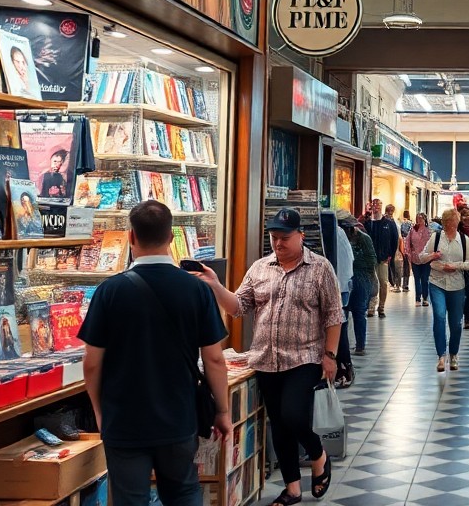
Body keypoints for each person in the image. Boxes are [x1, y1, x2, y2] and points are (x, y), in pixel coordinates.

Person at [79, 201, 231, 506]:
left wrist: (99, 411)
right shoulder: (197, 290)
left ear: (131, 237)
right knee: (184, 492)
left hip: (124, 419)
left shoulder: (110, 291)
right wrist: (223, 411)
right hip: (178, 416)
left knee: (129, 498)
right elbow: (214, 358)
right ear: (171, 238)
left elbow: (92, 363)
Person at [196, 208, 343, 503]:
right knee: (278, 423)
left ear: (301, 235)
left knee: (294, 415)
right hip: (265, 359)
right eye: (274, 237)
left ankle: (318, 456)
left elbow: (333, 315)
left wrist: (330, 355)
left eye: (285, 237)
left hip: (304, 357)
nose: (278, 243)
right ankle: (292, 488)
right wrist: (215, 285)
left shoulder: (320, 268)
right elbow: (238, 307)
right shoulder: (260, 268)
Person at [421, 208, 469, 372]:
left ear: (454, 223)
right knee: (439, 316)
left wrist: (455, 266)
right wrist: (432, 256)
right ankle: (441, 356)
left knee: (456, 323)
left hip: (457, 285)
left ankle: (454, 354)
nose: (447, 225)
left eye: (449, 222)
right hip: (437, 282)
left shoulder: (464, 240)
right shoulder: (436, 237)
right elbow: (421, 256)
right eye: (446, 223)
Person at [344, 218, 376, 357]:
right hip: (348, 276)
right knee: (345, 313)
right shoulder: (343, 237)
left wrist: (366, 277)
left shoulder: (364, 239)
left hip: (360, 277)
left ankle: (360, 345)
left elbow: (371, 260)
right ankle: (346, 346)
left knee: (358, 312)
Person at [364, 200, 398, 318]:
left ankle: (382, 306)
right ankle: (371, 306)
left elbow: (394, 240)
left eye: (378, 205)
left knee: (383, 282)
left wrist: (390, 255)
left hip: (383, 259)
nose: (376, 208)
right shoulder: (368, 224)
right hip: (370, 259)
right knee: (372, 283)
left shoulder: (388, 224)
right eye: (374, 205)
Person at [332, 216, 355, 389]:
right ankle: (344, 367)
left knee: (339, 328)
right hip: (342, 287)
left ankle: (344, 367)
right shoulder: (341, 235)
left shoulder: (336, 234)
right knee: (341, 327)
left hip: (339, 289)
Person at [405, 212, 434, 307]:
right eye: (418, 219)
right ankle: (417, 298)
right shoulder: (413, 230)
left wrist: (432, 255)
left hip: (426, 258)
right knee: (417, 279)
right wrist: (408, 253)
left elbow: (432, 244)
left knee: (425, 279)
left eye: (421, 219)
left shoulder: (429, 231)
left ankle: (425, 298)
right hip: (415, 258)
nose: (419, 221)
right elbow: (408, 242)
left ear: (425, 220)